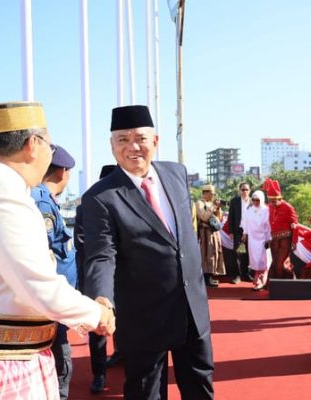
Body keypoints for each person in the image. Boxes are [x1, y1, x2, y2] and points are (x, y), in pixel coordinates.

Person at [0, 101, 114, 399]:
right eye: (50, 147)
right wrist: (98, 314)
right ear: (33, 144)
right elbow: (39, 288)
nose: (49, 155)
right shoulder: (3, 195)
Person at [82, 105, 215, 399]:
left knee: (200, 385)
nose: (133, 147)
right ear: (111, 146)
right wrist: (102, 298)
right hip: (143, 316)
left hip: (192, 308)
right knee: (146, 392)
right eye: (122, 140)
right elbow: (101, 254)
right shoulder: (100, 197)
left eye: (140, 138)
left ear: (155, 141)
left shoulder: (176, 173)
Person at [30, 144, 77, 400]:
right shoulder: (41, 202)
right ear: (62, 173)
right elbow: (43, 253)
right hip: (50, 306)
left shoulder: (44, 200)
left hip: (55, 303)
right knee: (59, 369)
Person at [76, 164, 120, 395]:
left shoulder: (129, 202)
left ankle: (122, 354)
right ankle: (99, 373)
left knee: (127, 321)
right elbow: (83, 243)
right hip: (98, 279)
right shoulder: (88, 204)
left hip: (125, 279)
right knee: (98, 327)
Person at [263, 178, 298, 281]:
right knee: (274, 262)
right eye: (270, 201)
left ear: (279, 198)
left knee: (280, 263)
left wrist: (294, 241)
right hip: (273, 240)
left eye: (274, 201)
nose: (272, 203)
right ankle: (275, 286)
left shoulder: (288, 207)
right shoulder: (269, 207)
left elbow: (295, 225)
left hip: (285, 240)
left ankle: (285, 284)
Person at [240, 190, 272, 291]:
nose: (255, 202)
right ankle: (257, 279)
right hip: (253, 239)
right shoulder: (249, 210)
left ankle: (262, 280)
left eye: (257, 200)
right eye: (253, 200)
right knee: (254, 259)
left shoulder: (266, 210)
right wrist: (245, 232)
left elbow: (268, 226)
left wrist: (268, 238)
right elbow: (245, 221)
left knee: (262, 260)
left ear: (262, 199)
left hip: (263, 239)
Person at [195, 184, 225, 287]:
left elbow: (219, 219)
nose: (213, 196)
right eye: (211, 194)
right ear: (206, 193)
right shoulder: (199, 203)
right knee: (206, 254)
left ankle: (211, 276)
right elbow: (203, 217)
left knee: (214, 253)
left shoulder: (211, 204)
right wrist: (213, 207)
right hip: (205, 233)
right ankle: (206, 278)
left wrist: (218, 209)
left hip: (213, 233)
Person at [227, 182, 252, 282]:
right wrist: (231, 232)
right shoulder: (234, 201)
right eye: (243, 189)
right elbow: (231, 218)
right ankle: (237, 275)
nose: (244, 191)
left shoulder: (253, 202)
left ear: (250, 191)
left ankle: (246, 274)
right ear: (239, 191)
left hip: (250, 232)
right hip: (238, 231)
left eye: (246, 189)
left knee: (248, 254)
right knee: (238, 253)